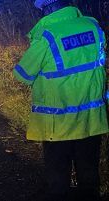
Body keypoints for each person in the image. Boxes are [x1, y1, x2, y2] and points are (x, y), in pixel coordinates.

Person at [13, 0, 108, 200]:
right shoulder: (93, 27)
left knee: (57, 180)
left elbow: (22, 75)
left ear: (46, 9)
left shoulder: (47, 35)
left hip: (58, 125)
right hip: (91, 120)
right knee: (89, 175)